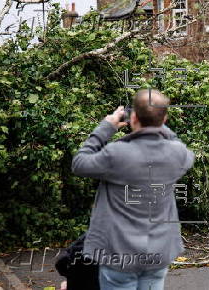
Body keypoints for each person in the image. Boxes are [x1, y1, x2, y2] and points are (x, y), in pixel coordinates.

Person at [71, 89, 195, 290]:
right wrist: (159, 125)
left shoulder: (117, 153)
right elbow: (177, 143)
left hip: (120, 253)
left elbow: (79, 163)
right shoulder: (178, 154)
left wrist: (106, 127)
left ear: (133, 117)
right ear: (165, 118)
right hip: (158, 252)